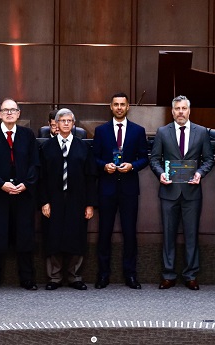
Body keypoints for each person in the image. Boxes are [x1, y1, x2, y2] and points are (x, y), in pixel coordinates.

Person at [149, 95, 214, 290]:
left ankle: (190, 275)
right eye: (177, 109)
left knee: (191, 235)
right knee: (168, 235)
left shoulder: (201, 132)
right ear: (172, 111)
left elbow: (209, 160)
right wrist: (160, 174)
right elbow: (154, 160)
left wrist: (200, 173)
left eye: (184, 108)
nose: (180, 112)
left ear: (189, 110)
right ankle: (168, 275)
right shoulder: (162, 132)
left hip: (192, 192)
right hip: (168, 191)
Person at [0, 98, 40, 291]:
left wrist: (25, 184)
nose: (9, 113)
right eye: (6, 110)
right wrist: (0, 184)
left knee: (25, 237)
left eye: (13, 110)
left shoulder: (28, 135)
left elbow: (35, 165)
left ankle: (27, 279)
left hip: (23, 195)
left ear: (19, 114)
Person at [93, 93, 148, 289]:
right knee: (104, 233)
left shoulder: (138, 131)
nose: (118, 107)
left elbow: (145, 158)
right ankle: (103, 275)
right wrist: (103, 166)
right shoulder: (100, 131)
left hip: (129, 189)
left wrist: (132, 166)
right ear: (110, 106)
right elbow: (94, 158)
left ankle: (130, 275)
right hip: (106, 188)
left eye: (122, 104)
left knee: (129, 233)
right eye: (115, 104)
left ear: (128, 107)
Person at [40, 108, 97, 290]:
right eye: (62, 121)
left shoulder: (84, 147)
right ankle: (54, 278)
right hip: (53, 199)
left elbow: (90, 177)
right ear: (55, 124)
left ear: (73, 124)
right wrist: (44, 201)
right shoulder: (46, 147)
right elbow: (41, 177)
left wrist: (89, 204)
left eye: (69, 121)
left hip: (77, 199)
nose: (65, 124)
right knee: (53, 237)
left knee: (76, 237)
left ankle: (75, 277)